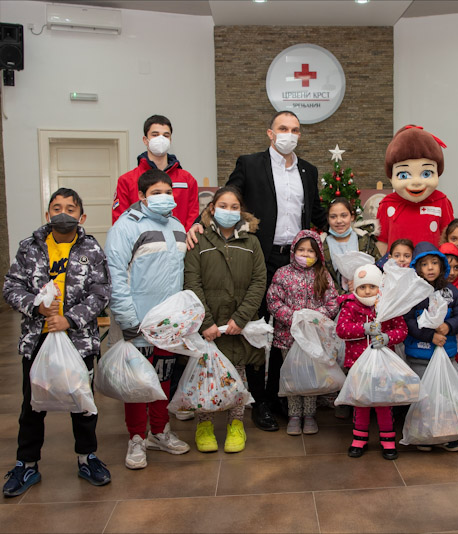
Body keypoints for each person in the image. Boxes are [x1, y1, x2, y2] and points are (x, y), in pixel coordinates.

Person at [187, 110, 327, 432]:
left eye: (294, 130)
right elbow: (228, 197)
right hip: (256, 255)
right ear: (270, 133)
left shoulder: (308, 170)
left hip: (294, 262)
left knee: (285, 332)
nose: (288, 134)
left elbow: (316, 210)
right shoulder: (250, 163)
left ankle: (280, 394)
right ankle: (258, 402)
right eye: (282, 128)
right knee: (253, 326)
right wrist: (198, 222)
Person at [2, 188, 111, 497]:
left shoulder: (92, 249)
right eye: (57, 208)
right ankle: (27, 464)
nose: (64, 213)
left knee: (83, 403)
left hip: (78, 343)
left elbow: (102, 291)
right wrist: (36, 305)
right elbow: (11, 287)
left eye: (71, 209)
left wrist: (70, 318)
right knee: (32, 405)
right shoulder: (29, 248)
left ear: (82, 217)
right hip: (37, 341)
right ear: (47, 214)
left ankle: (87, 457)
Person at [105, 169, 190, 470]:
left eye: (168, 192)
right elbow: (115, 274)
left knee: (163, 378)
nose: (164, 198)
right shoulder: (126, 227)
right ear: (141, 196)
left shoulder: (178, 226)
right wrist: (127, 318)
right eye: (156, 193)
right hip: (137, 322)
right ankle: (136, 438)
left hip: (166, 323)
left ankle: (159, 432)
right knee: (137, 384)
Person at [183, 186, 266, 453]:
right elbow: (192, 282)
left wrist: (241, 318)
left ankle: (236, 424)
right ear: (211, 208)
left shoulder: (252, 241)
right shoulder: (200, 241)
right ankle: (204, 425)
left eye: (234, 207)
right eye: (223, 206)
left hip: (238, 325)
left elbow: (258, 281)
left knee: (237, 377)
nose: (228, 211)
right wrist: (205, 321)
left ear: (241, 210)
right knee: (205, 375)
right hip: (208, 324)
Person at [266, 230, 339, 435]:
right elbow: (273, 301)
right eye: (301, 250)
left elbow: (333, 302)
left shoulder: (322, 274)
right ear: (293, 250)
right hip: (288, 337)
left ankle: (309, 415)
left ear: (318, 254)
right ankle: (294, 414)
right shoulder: (283, 273)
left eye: (310, 251)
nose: (305, 254)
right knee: (292, 376)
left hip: (314, 338)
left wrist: (314, 318)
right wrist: (294, 318)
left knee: (310, 376)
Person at [336, 264, 407, 460]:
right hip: (358, 365)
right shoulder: (350, 305)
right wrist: (363, 328)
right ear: (355, 289)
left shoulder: (388, 305)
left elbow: (402, 330)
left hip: (383, 366)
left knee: (384, 404)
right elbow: (341, 329)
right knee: (361, 403)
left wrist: (387, 337)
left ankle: (388, 440)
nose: (367, 291)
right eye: (362, 287)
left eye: (372, 286)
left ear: (380, 288)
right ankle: (359, 439)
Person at [403, 242, 458, 452]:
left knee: (448, 397)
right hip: (420, 355)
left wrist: (448, 326)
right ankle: (424, 435)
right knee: (425, 399)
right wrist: (431, 336)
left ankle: (449, 434)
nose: (430, 268)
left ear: (441, 265)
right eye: (424, 264)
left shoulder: (451, 292)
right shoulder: (412, 293)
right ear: (416, 268)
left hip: (446, 357)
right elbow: (409, 322)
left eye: (434, 263)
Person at [112, 114, 199, 230]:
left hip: (179, 243)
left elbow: (193, 218)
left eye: (166, 135)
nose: (161, 139)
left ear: (170, 140)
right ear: (145, 140)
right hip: (142, 244)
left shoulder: (187, 179)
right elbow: (120, 221)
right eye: (155, 135)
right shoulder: (127, 180)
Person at [378, 125, 454, 252]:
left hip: (431, 269)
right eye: (403, 175)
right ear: (391, 176)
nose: (416, 182)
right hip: (398, 269)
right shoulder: (387, 204)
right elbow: (382, 241)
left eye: (426, 174)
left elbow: (449, 239)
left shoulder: (441, 201)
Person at [321, 198, 381, 293]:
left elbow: (378, 267)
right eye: (333, 217)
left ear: (352, 217)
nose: (339, 221)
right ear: (328, 219)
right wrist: (341, 294)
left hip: (365, 296)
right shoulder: (322, 244)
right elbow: (320, 277)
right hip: (334, 299)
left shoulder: (364, 240)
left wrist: (361, 282)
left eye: (344, 215)